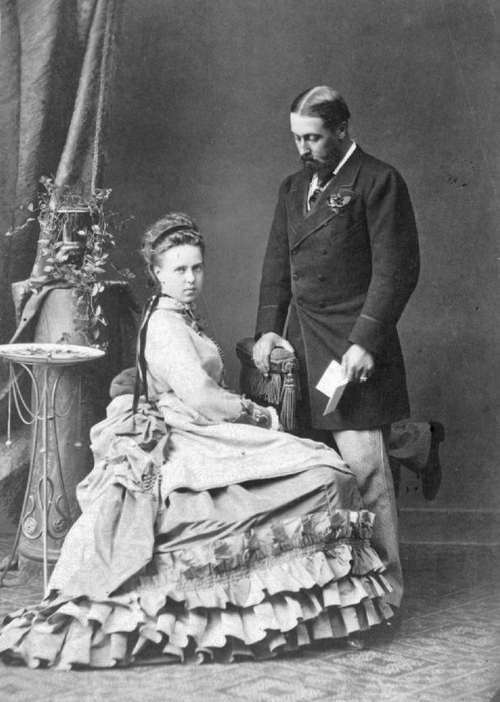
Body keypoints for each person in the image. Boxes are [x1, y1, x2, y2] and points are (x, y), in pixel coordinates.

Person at [0, 212, 394, 669]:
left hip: (200, 422)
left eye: (197, 268)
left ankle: (327, 607)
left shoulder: (178, 314)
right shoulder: (165, 324)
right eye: (179, 270)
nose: (190, 279)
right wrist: (258, 414)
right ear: (157, 273)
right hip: (187, 427)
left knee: (320, 466)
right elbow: (203, 397)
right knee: (322, 471)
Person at [253, 86, 420, 613]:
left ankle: (387, 596)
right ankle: (328, 600)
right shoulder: (291, 188)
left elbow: (397, 270)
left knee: (367, 474)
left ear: (343, 130)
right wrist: (267, 331)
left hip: (353, 350)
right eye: (296, 138)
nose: (303, 148)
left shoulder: (379, 180)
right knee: (312, 479)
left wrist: (366, 340)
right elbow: (277, 266)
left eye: (314, 137)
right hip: (304, 347)